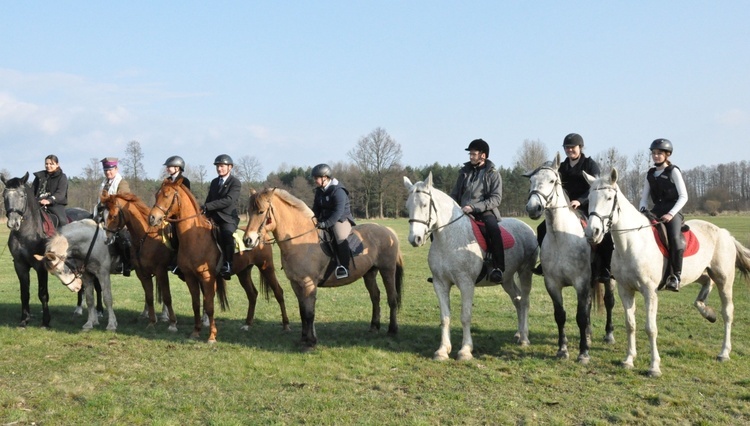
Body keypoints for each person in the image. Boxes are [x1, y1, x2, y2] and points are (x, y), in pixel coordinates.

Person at [533, 133, 614, 281]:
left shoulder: (590, 164)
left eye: (572, 147)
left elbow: (595, 187)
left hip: (587, 207)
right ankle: (544, 263)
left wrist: (580, 201)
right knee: (541, 228)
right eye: (566, 148)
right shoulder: (562, 167)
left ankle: (605, 268)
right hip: (565, 208)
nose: (569, 150)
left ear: (580, 147)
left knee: (606, 236)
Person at [450, 138, 504, 283]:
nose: (471, 157)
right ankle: (444, 267)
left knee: (493, 229)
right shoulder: (464, 172)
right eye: (470, 154)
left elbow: (496, 199)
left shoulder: (493, 174)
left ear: (483, 156)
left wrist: (474, 207)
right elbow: (455, 194)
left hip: (484, 211)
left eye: (473, 154)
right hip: (461, 210)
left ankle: (496, 267)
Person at [639, 138, 688, 292]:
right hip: (656, 210)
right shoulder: (651, 173)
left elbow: (684, 196)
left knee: (674, 238)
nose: (656, 156)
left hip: (673, 210)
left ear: (667, 155)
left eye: (659, 153)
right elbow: (644, 197)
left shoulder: (673, 171)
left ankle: (675, 276)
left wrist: (671, 214)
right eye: (654, 153)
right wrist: (642, 208)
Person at [311, 163, 356, 279]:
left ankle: (344, 267)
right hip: (324, 220)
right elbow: (315, 209)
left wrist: (325, 224)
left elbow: (338, 212)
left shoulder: (338, 190)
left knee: (339, 237)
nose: (315, 180)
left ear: (324, 178)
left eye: (316, 178)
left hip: (340, 220)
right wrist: (312, 220)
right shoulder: (319, 191)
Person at [203, 154, 241, 279]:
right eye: (218, 166)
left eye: (222, 166)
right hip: (213, 217)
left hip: (228, 218)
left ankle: (228, 264)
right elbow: (209, 199)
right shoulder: (214, 182)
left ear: (230, 167)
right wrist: (203, 211)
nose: (219, 169)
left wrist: (208, 206)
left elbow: (228, 200)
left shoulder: (235, 183)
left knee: (227, 234)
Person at [97, 157, 133, 277]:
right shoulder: (103, 184)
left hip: (119, 218)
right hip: (104, 216)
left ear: (116, 169)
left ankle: (126, 264)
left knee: (123, 238)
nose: (108, 172)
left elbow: (122, 201)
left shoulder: (122, 183)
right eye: (106, 170)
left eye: (110, 169)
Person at [163, 155, 190, 278]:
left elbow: (185, 201)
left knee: (177, 237)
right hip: (168, 215)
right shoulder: (167, 181)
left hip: (181, 217)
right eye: (168, 167)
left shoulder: (185, 181)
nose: (168, 168)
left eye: (170, 166)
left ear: (178, 168)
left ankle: (181, 262)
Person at [32, 154, 69, 230]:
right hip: (37, 204)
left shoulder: (62, 177)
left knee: (63, 222)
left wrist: (49, 201)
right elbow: (32, 191)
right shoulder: (39, 177)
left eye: (51, 164)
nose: (48, 166)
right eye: (46, 164)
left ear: (57, 165)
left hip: (55, 205)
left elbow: (60, 193)